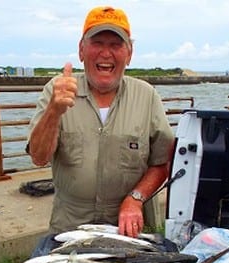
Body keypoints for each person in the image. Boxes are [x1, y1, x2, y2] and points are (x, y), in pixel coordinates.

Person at [27, 6, 174, 237]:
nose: (106, 53)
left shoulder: (147, 96)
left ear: (129, 53)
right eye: (97, 43)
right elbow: (38, 157)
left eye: (115, 45)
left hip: (132, 228)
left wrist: (136, 198)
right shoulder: (55, 91)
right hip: (70, 225)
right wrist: (54, 111)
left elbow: (163, 161)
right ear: (81, 50)